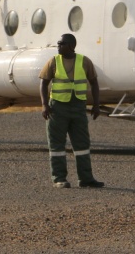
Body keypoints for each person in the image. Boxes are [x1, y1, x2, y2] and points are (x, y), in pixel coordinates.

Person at [39, 33, 104, 188]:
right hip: (57, 108)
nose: (58, 46)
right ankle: (59, 178)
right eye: (58, 43)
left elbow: (94, 83)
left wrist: (96, 105)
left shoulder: (84, 61)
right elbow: (43, 83)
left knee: (82, 144)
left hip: (78, 108)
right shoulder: (53, 62)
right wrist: (44, 105)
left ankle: (86, 179)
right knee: (57, 144)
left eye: (62, 43)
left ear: (71, 46)